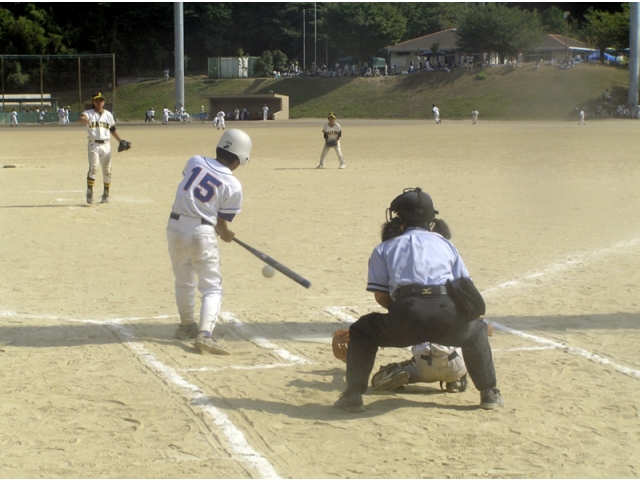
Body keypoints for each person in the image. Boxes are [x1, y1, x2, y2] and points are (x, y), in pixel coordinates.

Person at [333, 187, 504, 413]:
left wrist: (406, 314)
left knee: (363, 330)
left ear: (399, 219)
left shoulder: (384, 248)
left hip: (407, 313)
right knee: (476, 330)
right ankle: (489, 393)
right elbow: (465, 289)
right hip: (447, 314)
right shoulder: (446, 244)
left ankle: (353, 396)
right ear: (431, 219)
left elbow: (381, 296)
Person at [166, 129, 253, 355]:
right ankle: (205, 334)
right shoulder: (233, 185)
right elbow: (221, 225)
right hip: (202, 232)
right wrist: (226, 234)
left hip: (174, 227)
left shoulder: (194, 161)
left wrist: (222, 230)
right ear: (239, 158)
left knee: (184, 282)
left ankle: (186, 326)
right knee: (212, 287)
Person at [78, 92, 127, 204]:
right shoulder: (88, 113)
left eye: (101, 100)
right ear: (93, 102)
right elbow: (81, 118)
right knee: (94, 167)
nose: (99, 102)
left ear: (104, 102)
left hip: (106, 145)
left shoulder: (108, 115)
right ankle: (89, 192)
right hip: (93, 144)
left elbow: (112, 129)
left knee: (107, 170)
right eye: (96, 100)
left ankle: (106, 194)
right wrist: (84, 120)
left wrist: (120, 140)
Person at [371, 342, 468, 393]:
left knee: (379, 378)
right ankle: (455, 380)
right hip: (455, 364)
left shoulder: (417, 311)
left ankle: (394, 373)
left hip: (424, 366)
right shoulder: (457, 311)